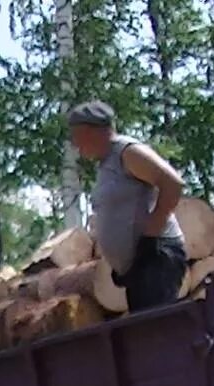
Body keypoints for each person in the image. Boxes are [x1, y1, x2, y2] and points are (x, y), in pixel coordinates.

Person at [67, 100, 188, 312]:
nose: (75, 144)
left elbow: (172, 184)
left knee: (154, 335)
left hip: (157, 258)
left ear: (91, 131)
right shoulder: (106, 163)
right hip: (139, 266)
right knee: (144, 337)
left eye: (77, 136)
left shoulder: (128, 152)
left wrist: (150, 237)